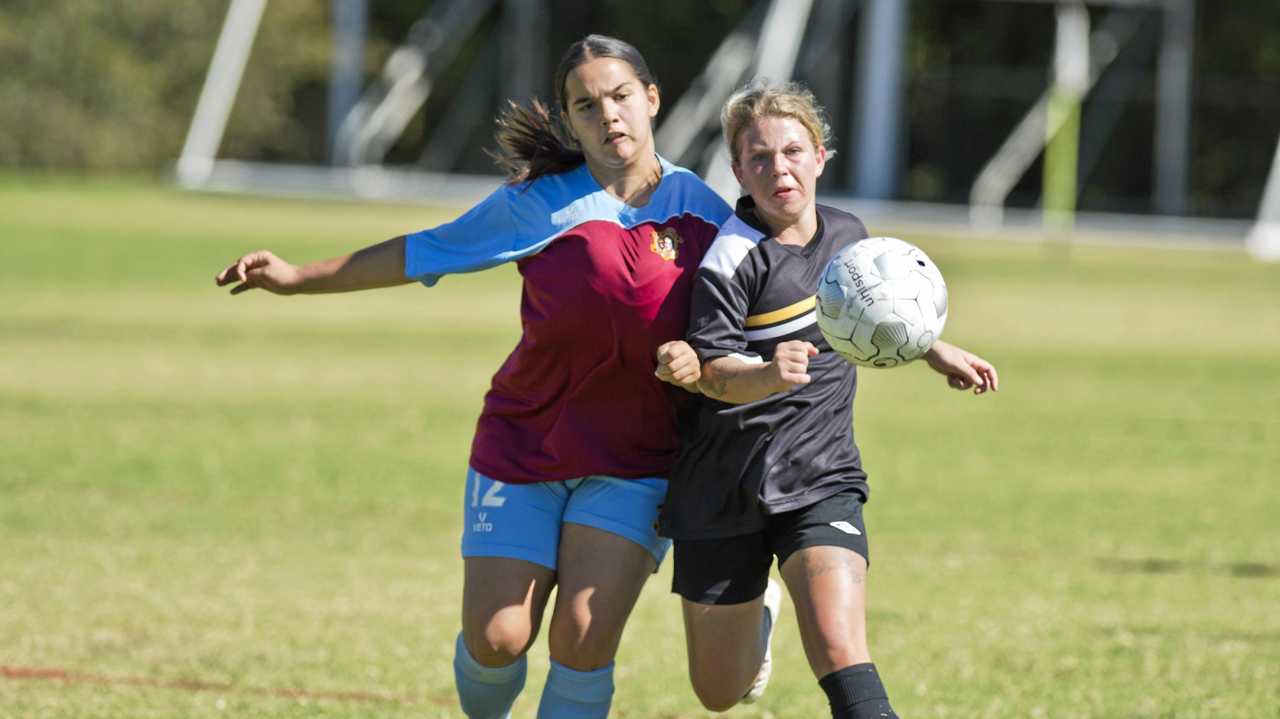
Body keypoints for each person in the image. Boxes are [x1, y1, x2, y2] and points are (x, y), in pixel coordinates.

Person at [214, 34, 730, 719]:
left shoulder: (706, 213)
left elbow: (751, 312)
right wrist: (295, 278)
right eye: (587, 106)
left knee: (580, 635)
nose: (608, 116)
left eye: (620, 97)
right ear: (570, 122)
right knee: (497, 638)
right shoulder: (539, 203)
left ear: (652, 99)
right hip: (525, 444)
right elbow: (425, 249)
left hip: (636, 461)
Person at [654, 82, 999, 718]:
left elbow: (875, 318)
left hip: (821, 473)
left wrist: (932, 347)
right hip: (726, 483)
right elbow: (711, 374)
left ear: (819, 155)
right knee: (718, 693)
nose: (778, 169)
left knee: (840, 647)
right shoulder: (731, 261)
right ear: (738, 170)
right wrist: (767, 374)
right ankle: (759, 609)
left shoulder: (852, 238)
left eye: (792, 151)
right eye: (759, 158)